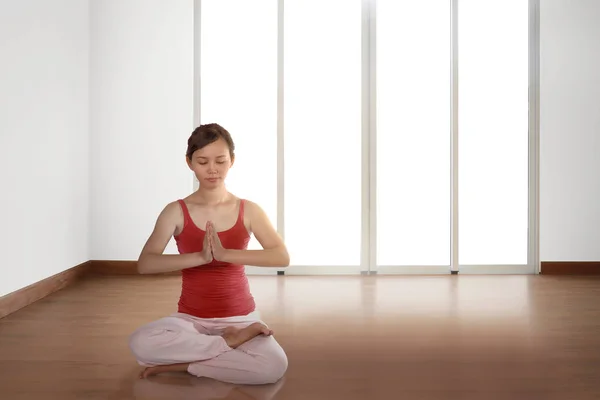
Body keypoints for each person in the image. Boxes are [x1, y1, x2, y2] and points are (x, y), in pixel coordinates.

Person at [128, 123, 290, 385]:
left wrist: (226, 254)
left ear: (232, 161)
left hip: (241, 319)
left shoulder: (249, 210)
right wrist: (200, 258)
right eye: (202, 161)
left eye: (220, 161)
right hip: (191, 321)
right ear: (189, 162)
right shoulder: (175, 211)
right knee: (139, 342)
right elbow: (145, 264)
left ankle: (189, 364)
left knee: (274, 366)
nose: (212, 169)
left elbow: (281, 256)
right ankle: (226, 345)